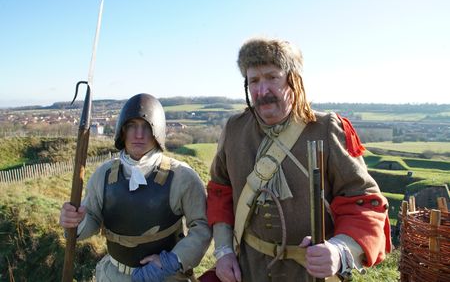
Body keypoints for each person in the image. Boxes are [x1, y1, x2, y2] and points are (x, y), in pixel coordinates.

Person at [205, 37, 391, 282]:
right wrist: (224, 251)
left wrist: (339, 251)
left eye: (272, 77)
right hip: (249, 268)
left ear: (293, 80)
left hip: (310, 274)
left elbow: (364, 202)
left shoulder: (328, 128)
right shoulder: (234, 129)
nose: (262, 91)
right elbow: (220, 193)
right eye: (254, 81)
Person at [59, 93, 211, 282]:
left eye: (147, 127)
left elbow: (202, 227)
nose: (139, 135)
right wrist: (75, 221)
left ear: (158, 132)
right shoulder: (104, 175)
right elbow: (91, 219)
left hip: (165, 277)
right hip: (112, 275)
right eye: (131, 126)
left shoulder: (182, 177)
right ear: (122, 131)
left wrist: (170, 261)